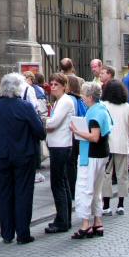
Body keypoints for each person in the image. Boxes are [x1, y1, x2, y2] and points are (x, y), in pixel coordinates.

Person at [0, 73, 45, 244]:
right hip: (23, 155)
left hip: (2, 155)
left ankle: (7, 233)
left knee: (4, 194)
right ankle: (23, 233)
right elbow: (39, 131)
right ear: (19, 88)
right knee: (23, 193)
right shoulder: (25, 107)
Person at [70, 82, 112, 239]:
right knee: (96, 189)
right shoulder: (102, 109)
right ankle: (98, 221)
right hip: (102, 154)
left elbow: (94, 137)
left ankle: (85, 224)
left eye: (83, 95)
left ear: (89, 97)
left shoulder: (94, 113)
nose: (82, 97)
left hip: (92, 155)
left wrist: (77, 131)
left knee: (85, 188)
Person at [44, 73, 74, 234]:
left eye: (56, 84)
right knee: (62, 182)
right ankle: (64, 218)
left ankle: (62, 220)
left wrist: (44, 121)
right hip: (59, 145)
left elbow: (53, 123)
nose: (53, 86)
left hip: (60, 146)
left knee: (58, 184)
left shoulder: (65, 102)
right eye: (52, 84)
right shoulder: (60, 102)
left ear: (63, 86)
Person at [101, 80, 129, 216]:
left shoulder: (103, 105)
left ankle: (106, 205)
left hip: (107, 144)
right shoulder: (126, 106)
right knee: (122, 175)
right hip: (121, 143)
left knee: (106, 175)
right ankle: (121, 204)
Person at [65, 75, 87, 200]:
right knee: (75, 164)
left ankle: (72, 191)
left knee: (70, 165)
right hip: (79, 135)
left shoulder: (70, 99)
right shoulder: (80, 99)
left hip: (73, 134)